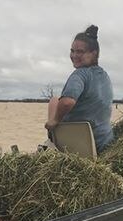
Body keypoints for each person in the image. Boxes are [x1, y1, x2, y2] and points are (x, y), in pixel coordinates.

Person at [45, 25, 114, 153]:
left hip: (83, 144)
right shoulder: (104, 75)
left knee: (54, 101)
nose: (74, 55)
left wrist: (54, 121)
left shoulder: (80, 75)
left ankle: (51, 137)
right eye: (72, 51)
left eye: (80, 52)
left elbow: (67, 102)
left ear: (94, 53)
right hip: (104, 141)